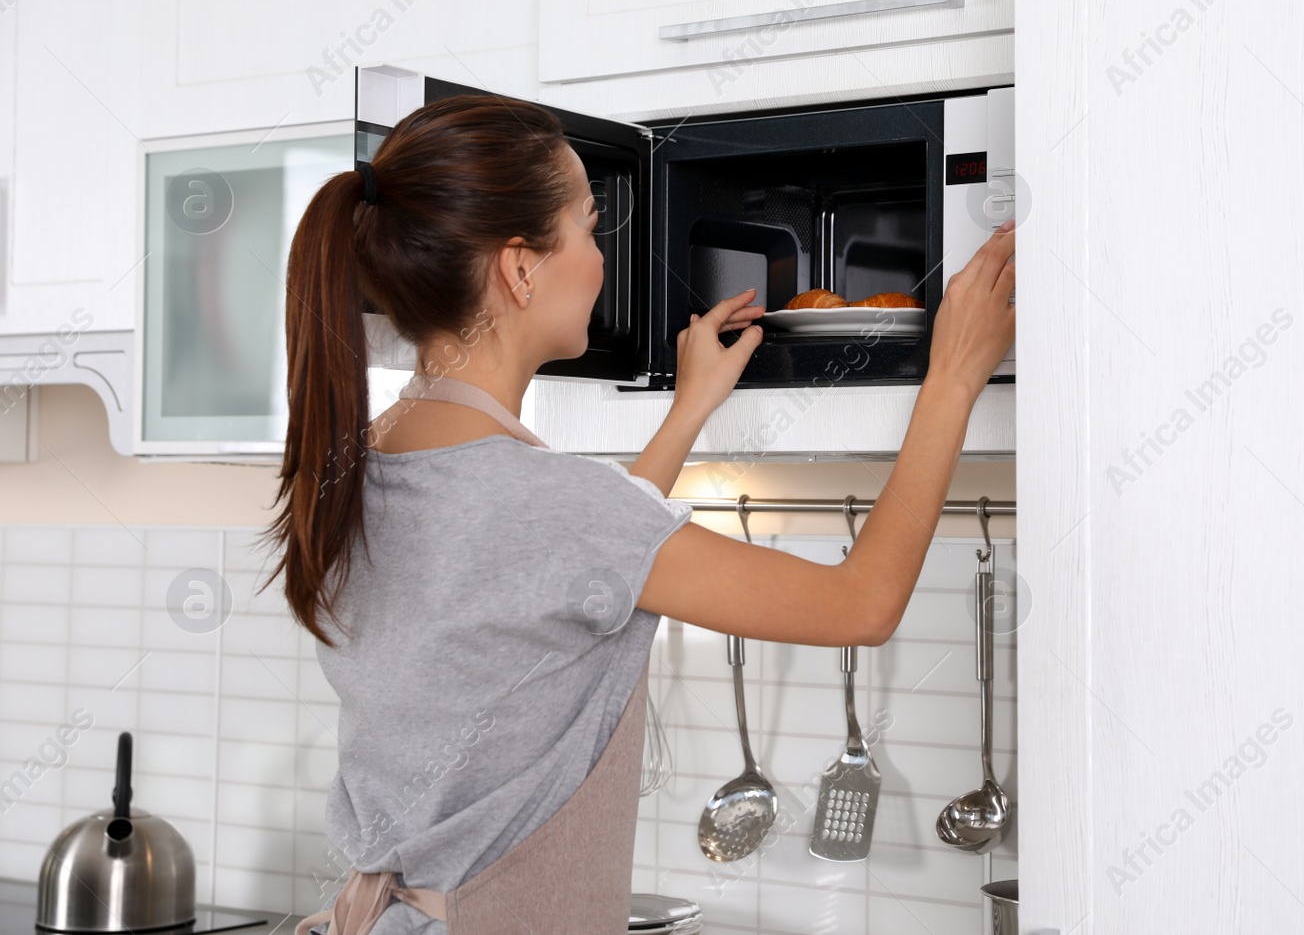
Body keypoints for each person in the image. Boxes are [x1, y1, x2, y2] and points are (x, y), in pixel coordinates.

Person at [263, 94, 1015, 935]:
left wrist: (687, 409)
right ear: (519, 268)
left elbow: (577, 564)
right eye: (589, 228)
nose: (601, 260)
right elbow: (861, 604)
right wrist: (953, 373)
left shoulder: (356, 471)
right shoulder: (557, 510)